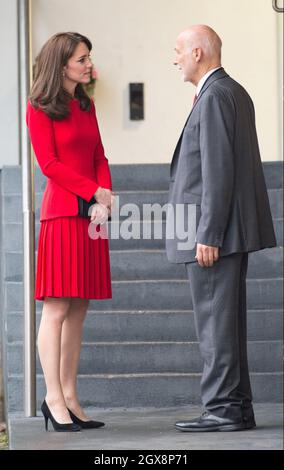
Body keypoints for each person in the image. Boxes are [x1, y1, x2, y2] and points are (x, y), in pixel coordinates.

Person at [166, 25, 276, 432]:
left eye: (177, 50)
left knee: (215, 325)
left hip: (213, 235)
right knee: (225, 323)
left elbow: (218, 170)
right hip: (227, 231)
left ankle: (222, 409)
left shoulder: (213, 97)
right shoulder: (233, 91)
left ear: (197, 52)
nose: (173, 58)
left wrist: (207, 234)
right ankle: (237, 407)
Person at [27, 32, 114, 432]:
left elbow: (98, 154)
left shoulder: (86, 103)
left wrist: (105, 193)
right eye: (82, 58)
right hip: (62, 214)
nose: (88, 64)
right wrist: (91, 191)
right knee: (58, 307)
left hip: (91, 215)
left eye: (88, 58)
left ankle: (71, 395)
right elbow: (49, 164)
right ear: (62, 63)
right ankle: (52, 397)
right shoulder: (39, 108)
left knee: (80, 308)